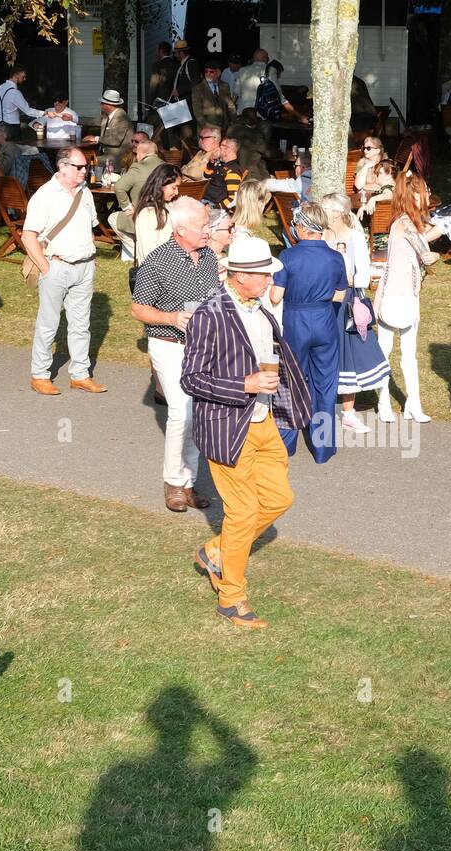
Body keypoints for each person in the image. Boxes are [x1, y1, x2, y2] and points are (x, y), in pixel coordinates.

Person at [180, 237, 313, 629]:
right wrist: (245, 385)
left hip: (263, 423)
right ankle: (231, 597)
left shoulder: (261, 308)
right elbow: (192, 379)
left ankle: (215, 551)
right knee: (243, 513)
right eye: (263, 272)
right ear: (239, 276)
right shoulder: (210, 314)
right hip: (228, 428)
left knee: (279, 498)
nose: (271, 275)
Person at [130, 197, 218, 512]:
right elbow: (138, 309)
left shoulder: (208, 256)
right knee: (181, 412)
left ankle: (189, 483)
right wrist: (172, 318)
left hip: (203, 347)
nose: (209, 230)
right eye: (203, 226)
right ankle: (172, 483)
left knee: (199, 414)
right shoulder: (157, 262)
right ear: (180, 230)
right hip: (169, 345)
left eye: (208, 224)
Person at [21, 147, 105, 396]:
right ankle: (40, 375)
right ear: (63, 166)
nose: (84, 171)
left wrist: (90, 253)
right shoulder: (45, 195)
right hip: (56, 265)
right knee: (48, 323)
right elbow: (28, 237)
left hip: (84, 266)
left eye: (85, 166)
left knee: (81, 324)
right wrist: (46, 269)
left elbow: (91, 227)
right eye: (79, 167)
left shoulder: (85, 193)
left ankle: (80, 374)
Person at [269, 202, 348, 462]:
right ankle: (323, 447)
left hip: (295, 321)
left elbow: (276, 296)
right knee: (325, 384)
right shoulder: (336, 257)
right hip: (324, 320)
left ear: (302, 227)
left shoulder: (288, 257)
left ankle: (286, 443)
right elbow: (340, 294)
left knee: (290, 381)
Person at [374, 172, 441, 423]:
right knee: (387, 350)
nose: (426, 194)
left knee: (408, 352)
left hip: (406, 294)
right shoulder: (403, 224)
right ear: (413, 193)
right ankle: (383, 401)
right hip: (394, 294)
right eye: (423, 190)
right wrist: (443, 231)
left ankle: (413, 402)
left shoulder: (407, 221)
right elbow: (425, 252)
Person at [321, 192, 387, 433]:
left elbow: (364, 276)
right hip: (322, 302)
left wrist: (345, 279)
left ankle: (348, 412)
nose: (323, 214)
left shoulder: (355, 238)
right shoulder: (321, 235)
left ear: (337, 213)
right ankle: (321, 406)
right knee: (323, 352)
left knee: (347, 352)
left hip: (346, 302)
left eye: (326, 210)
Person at [113, 132, 164, 255]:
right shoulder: (166, 166)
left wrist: (127, 206)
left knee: (112, 218)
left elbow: (119, 187)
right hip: (164, 214)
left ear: (141, 154)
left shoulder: (138, 167)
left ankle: (136, 250)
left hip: (143, 215)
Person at [234, 49, 309, 125]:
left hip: (243, 113)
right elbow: (280, 97)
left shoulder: (242, 70)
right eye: (267, 57)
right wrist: (299, 116)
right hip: (261, 115)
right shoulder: (271, 70)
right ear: (264, 58)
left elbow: (236, 92)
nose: (269, 59)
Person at [131, 162, 182, 266]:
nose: (177, 192)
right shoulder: (148, 214)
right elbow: (149, 252)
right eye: (174, 187)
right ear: (161, 185)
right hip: (154, 273)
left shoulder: (167, 206)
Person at [0, 67, 45, 140]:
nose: (24, 79)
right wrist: (44, 113)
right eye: (23, 76)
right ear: (16, 75)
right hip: (12, 128)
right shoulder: (15, 92)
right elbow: (28, 111)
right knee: (14, 149)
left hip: (0, 125)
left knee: (3, 149)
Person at [85, 90, 132, 163]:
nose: (100, 105)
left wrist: (96, 138)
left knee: (87, 160)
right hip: (106, 154)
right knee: (86, 156)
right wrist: (73, 118)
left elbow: (115, 141)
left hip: (118, 157)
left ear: (108, 105)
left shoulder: (122, 119)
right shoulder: (108, 116)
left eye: (102, 103)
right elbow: (93, 121)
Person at [201, 137, 245, 210]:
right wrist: (212, 161)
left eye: (221, 146)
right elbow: (206, 174)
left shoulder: (232, 171)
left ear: (228, 150)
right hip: (204, 199)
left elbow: (233, 200)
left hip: (212, 204)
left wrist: (212, 208)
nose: (217, 148)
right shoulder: (222, 165)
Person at [193, 60, 236, 132]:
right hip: (208, 132)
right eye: (206, 71)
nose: (208, 74)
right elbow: (197, 113)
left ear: (218, 73)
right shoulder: (198, 88)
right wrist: (210, 128)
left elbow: (230, 106)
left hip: (225, 128)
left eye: (211, 72)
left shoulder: (224, 86)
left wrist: (233, 122)